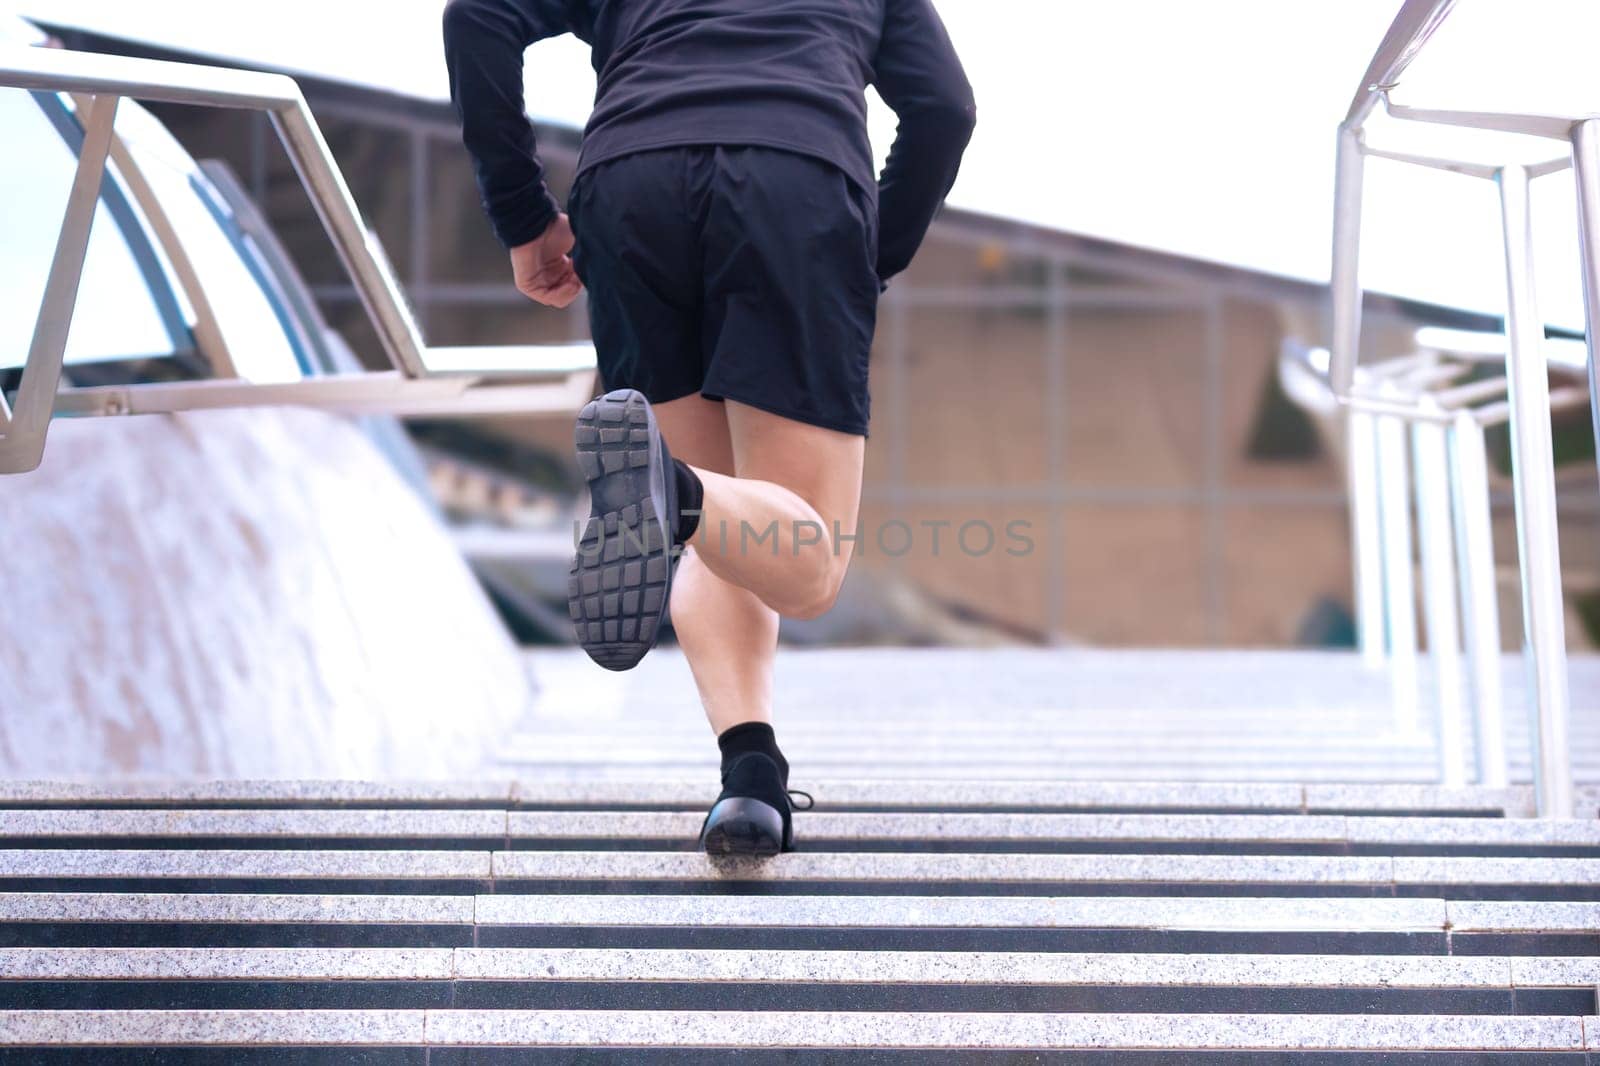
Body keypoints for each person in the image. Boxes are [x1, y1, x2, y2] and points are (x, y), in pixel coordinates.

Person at [444, 0, 974, 856]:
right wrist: (867, 252)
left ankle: (751, 783)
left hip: (630, 184)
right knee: (808, 570)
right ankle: (676, 494)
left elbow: (478, 15)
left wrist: (523, 216)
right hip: (793, 186)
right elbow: (945, 109)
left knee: (727, 527)